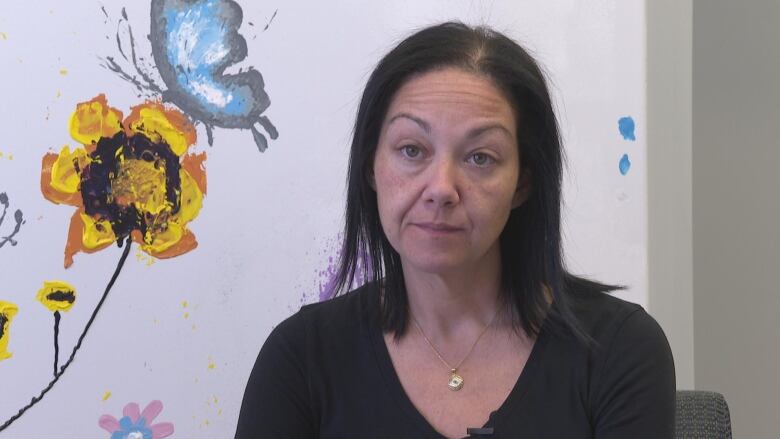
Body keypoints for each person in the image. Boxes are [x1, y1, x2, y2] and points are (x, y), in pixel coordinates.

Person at [235, 22, 675, 439]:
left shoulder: (618, 350)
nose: (441, 189)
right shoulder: (302, 357)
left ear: (522, 182)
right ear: (372, 166)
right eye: (411, 150)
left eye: (480, 157)